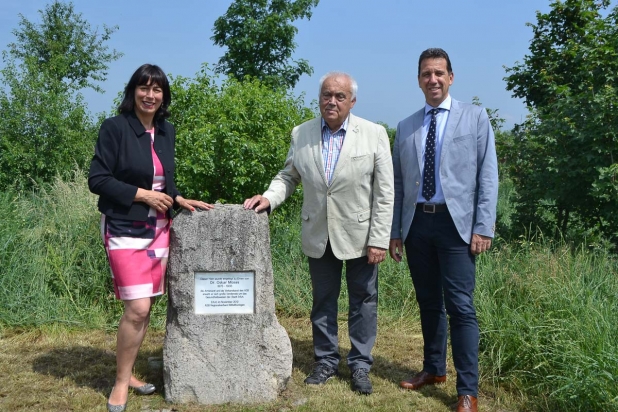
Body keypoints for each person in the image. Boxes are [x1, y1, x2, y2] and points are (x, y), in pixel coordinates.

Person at [244, 72, 393, 395]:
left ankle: (360, 364)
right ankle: (325, 360)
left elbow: (385, 192)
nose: (332, 101)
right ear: (319, 98)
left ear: (352, 101)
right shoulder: (302, 133)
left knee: (363, 302)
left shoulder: (374, 133)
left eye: (340, 96)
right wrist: (268, 198)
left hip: (360, 234)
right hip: (318, 233)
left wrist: (379, 238)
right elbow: (288, 176)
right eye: (327, 95)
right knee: (322, 301)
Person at [88, 64, 213, 412]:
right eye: (144, 88)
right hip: (124, 228)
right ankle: (120, 382)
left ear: (164, 96)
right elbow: (97, 180)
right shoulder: (115, 128)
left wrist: (177, 198)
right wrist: (142, 195)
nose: (150, 95)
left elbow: (164, 181)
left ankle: (128, 373)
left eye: (157, 90)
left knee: (145, 309)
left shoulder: (166, 130)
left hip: (159, 229)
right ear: (133, 92)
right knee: (137, 307)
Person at [389, 48, 498, 412]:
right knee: (428, 302)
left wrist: (483, 227)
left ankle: (468, 390)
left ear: (451, 77)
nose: (432, 79)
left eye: (438, 73)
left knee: (461, 306)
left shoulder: (475, 117)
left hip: (458, 227)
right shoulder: (406, 126)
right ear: (418, 79)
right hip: (418, 223)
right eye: (425, 74)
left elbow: (487, 176)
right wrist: (395, 232)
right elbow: (399, 185)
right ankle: (434, 369)